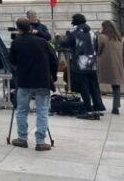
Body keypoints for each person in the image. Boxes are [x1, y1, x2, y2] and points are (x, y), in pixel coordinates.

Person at [8, 16, 58, 150]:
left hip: (25, 80)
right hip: (42, 80)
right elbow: (54, 60)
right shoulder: (43, 42)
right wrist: (53, 76)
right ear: (31, 27)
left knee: (22, 110)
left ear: (18, 29)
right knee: (42, 111)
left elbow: (12, 61)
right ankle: (40, 141)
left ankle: (22, 138)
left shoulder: (16, 43)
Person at [61, 13, 105, 117]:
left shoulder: (74, 33)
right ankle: (98, 107)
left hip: (80, 64)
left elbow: (65, 43)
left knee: (84, 86)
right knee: (94, 86)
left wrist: (58, 37)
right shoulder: (92, 33)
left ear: (75, 21)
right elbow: (97, 46)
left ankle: (87, 109)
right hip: (92, 63)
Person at [97, 20, 123, 116]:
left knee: (96, 83)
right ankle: (115, 107)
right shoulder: (119, 38)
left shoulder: (102, 37)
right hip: (117, 64)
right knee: (116, 86)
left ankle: (98, 104)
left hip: (104, 64)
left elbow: (98, 50)